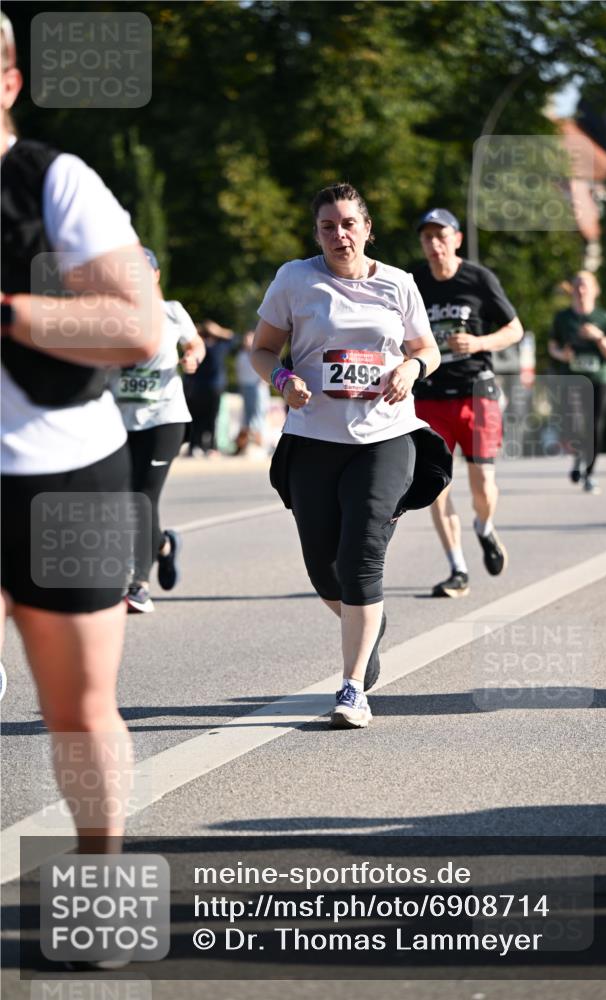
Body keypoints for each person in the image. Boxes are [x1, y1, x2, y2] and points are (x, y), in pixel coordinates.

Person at [1, 13, 162, 856]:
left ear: (8, 82)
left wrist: (9, 312)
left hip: (61, 474)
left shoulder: (53, 181)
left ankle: (100, 867)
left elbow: (135, 325)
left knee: (76, 709)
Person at [252, 183, 450, 729]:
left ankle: (351, 686)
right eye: (327, 226)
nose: (338, 235)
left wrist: (411, 370)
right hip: (314, 438)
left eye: (347, 224)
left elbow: (425, 348)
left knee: (362, 553)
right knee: (325, 570)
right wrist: (283, 378)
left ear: (367, 228)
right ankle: (368, 621)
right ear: (316, 233)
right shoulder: (296, 278)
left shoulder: (399, 283)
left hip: (385, 436)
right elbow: (262, 348)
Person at [412, 208, 523, 599]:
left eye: (441, 235)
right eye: (427, 237)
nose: (434, 243)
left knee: (483, 486)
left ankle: (484, 527)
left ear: (457, 239)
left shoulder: (478, 279)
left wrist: (478, 343)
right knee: (435, 485)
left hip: (477, 392)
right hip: (428, 397)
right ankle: (457, 568)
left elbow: (514, 329)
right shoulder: (413, 281)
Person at [110, 248, 206, 612]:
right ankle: (164, 544)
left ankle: (139, 585)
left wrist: (193, 356)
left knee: (142, 499)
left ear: (155, 275)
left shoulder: (171, 311)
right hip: (121, 422)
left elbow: (193, 342)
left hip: (164, 419)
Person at [548, 271, 606, 494]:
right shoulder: (563, 318)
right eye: (577, 285)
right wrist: (562, 355)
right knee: (573, 423)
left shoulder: (603, 318)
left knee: (594, 425)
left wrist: (598, 337)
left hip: (600, 379)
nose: (581, 290)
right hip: (572, 379)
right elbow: (553, 347)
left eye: (585, 285)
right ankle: (579, 455)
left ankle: (589, 473)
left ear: (595, 290)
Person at [184, 318, 234, 455]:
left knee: (199, 417)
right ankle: (209, 446)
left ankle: (196, 446)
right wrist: (219, 330)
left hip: (199, 388)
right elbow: (233, 338)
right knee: (211, 418)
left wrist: (198, 330)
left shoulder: (199, 347)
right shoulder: (219, 347)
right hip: (212, 388)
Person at [234, 329, 270, 455]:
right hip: (246, 387)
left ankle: (258, 444)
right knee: (248, 416)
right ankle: (244, 445)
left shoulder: (259, 354)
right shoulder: (242, 355)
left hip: (258, 387)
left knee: (258, 414)